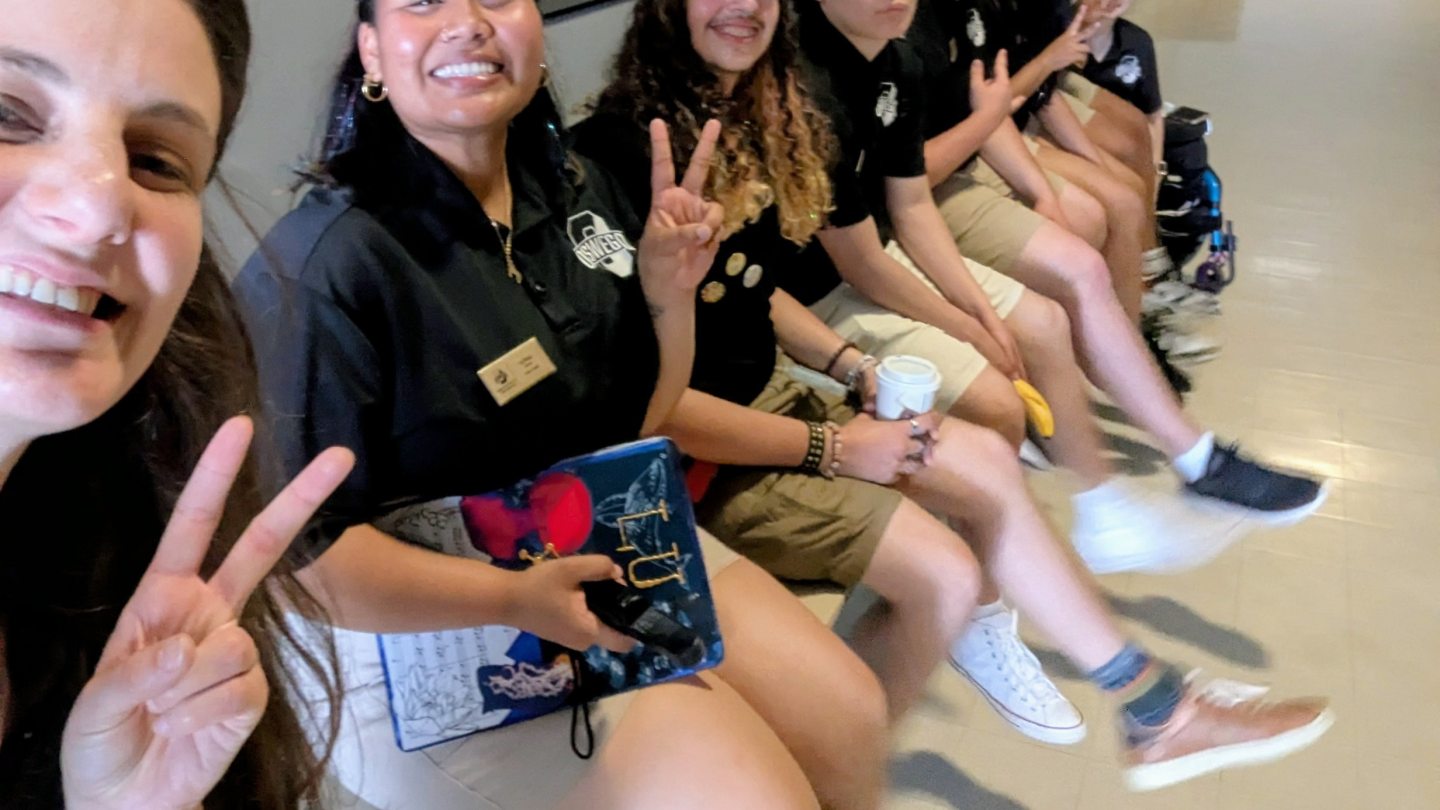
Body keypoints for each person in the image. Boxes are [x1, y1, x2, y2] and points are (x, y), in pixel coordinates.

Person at [574, 0, 1337, 790]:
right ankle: (842, 776)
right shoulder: (620, 157)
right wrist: (835, 444)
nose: (744, 6)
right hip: (701, 461)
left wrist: (847, 365)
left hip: (772, 396)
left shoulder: (751, 114)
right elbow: (654, 411)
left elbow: (747, 288)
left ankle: (1153, 710)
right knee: (943, 574)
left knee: (987, 462)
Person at [235, 1, 888, 809]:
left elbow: (642, 423)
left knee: (850, 718)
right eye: (423, 1)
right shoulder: (325, 267)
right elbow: (305, 561)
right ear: (370, 50)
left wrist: (668, 294)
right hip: (417, 624)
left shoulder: (573, 188)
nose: (468, 22)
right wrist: (510, 597)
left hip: (587, 541)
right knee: (755, 794)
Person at [789, 0, 1328, 577]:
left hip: (908, 207)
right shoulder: (821, 75)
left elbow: (924, 177)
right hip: (853, 256)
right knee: (1042, 319)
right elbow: (890, 222)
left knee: (1091, 238)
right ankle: (1076, 511)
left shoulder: (895, 54)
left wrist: (1035, 199)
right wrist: (971, 321)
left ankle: (1152, 450)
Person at [0, 0, 354, 808]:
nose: (96, 212)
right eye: (6, 114)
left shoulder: (111, 551)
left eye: (156, 161)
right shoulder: (341, 254)